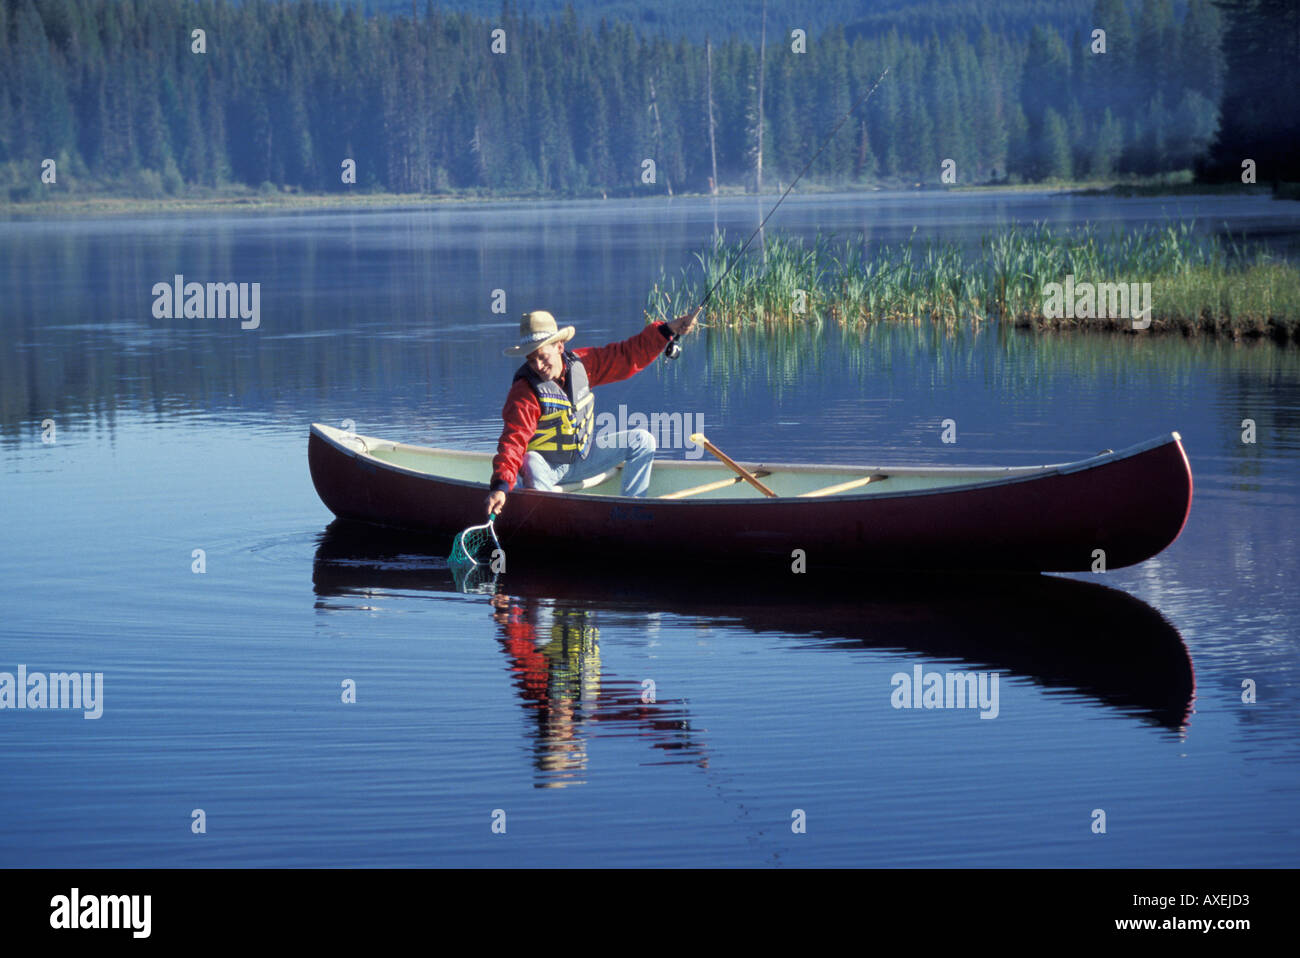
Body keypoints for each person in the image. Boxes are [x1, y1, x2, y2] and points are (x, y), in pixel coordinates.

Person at [486, 308, 699, 516]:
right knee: (530, 460)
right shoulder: (524, 391)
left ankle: (631, 513)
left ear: (559, 346)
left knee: (643, 441)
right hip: (545, 470)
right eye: (531, 360)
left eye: (542, 356)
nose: (538, 365)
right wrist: (501, 485)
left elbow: (627, 356)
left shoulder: (583, 364)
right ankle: (546, 521)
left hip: (582, 459)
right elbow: (513, 441)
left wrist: (667, 330)